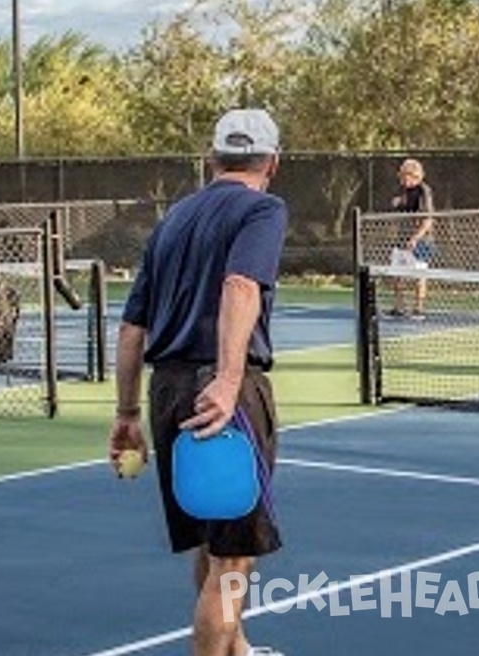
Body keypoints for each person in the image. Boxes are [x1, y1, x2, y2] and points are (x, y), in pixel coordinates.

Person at [108, 109, 287, 656]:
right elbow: (240, 286)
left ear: (212, 160)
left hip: (168, 391)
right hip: (221, 392)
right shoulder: (264, 208)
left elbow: (133, 326)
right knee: (233, 560)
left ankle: (240, 650)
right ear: (273, 164)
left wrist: (127, 415)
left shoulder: (174, 219)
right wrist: (231, 380)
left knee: (214, 543)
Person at [388, 158, 435, 320]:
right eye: (403, 176)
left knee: (419, 275)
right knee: (396, 274)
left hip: (421, 242)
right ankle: (399, 307)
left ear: (417, 176)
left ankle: (419, 309)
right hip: (401, 240)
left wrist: (415, 238)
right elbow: (399, 208)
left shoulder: (424, 191)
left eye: (409, 176)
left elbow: (428, 220)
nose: (405, 180)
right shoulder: (402, 190)